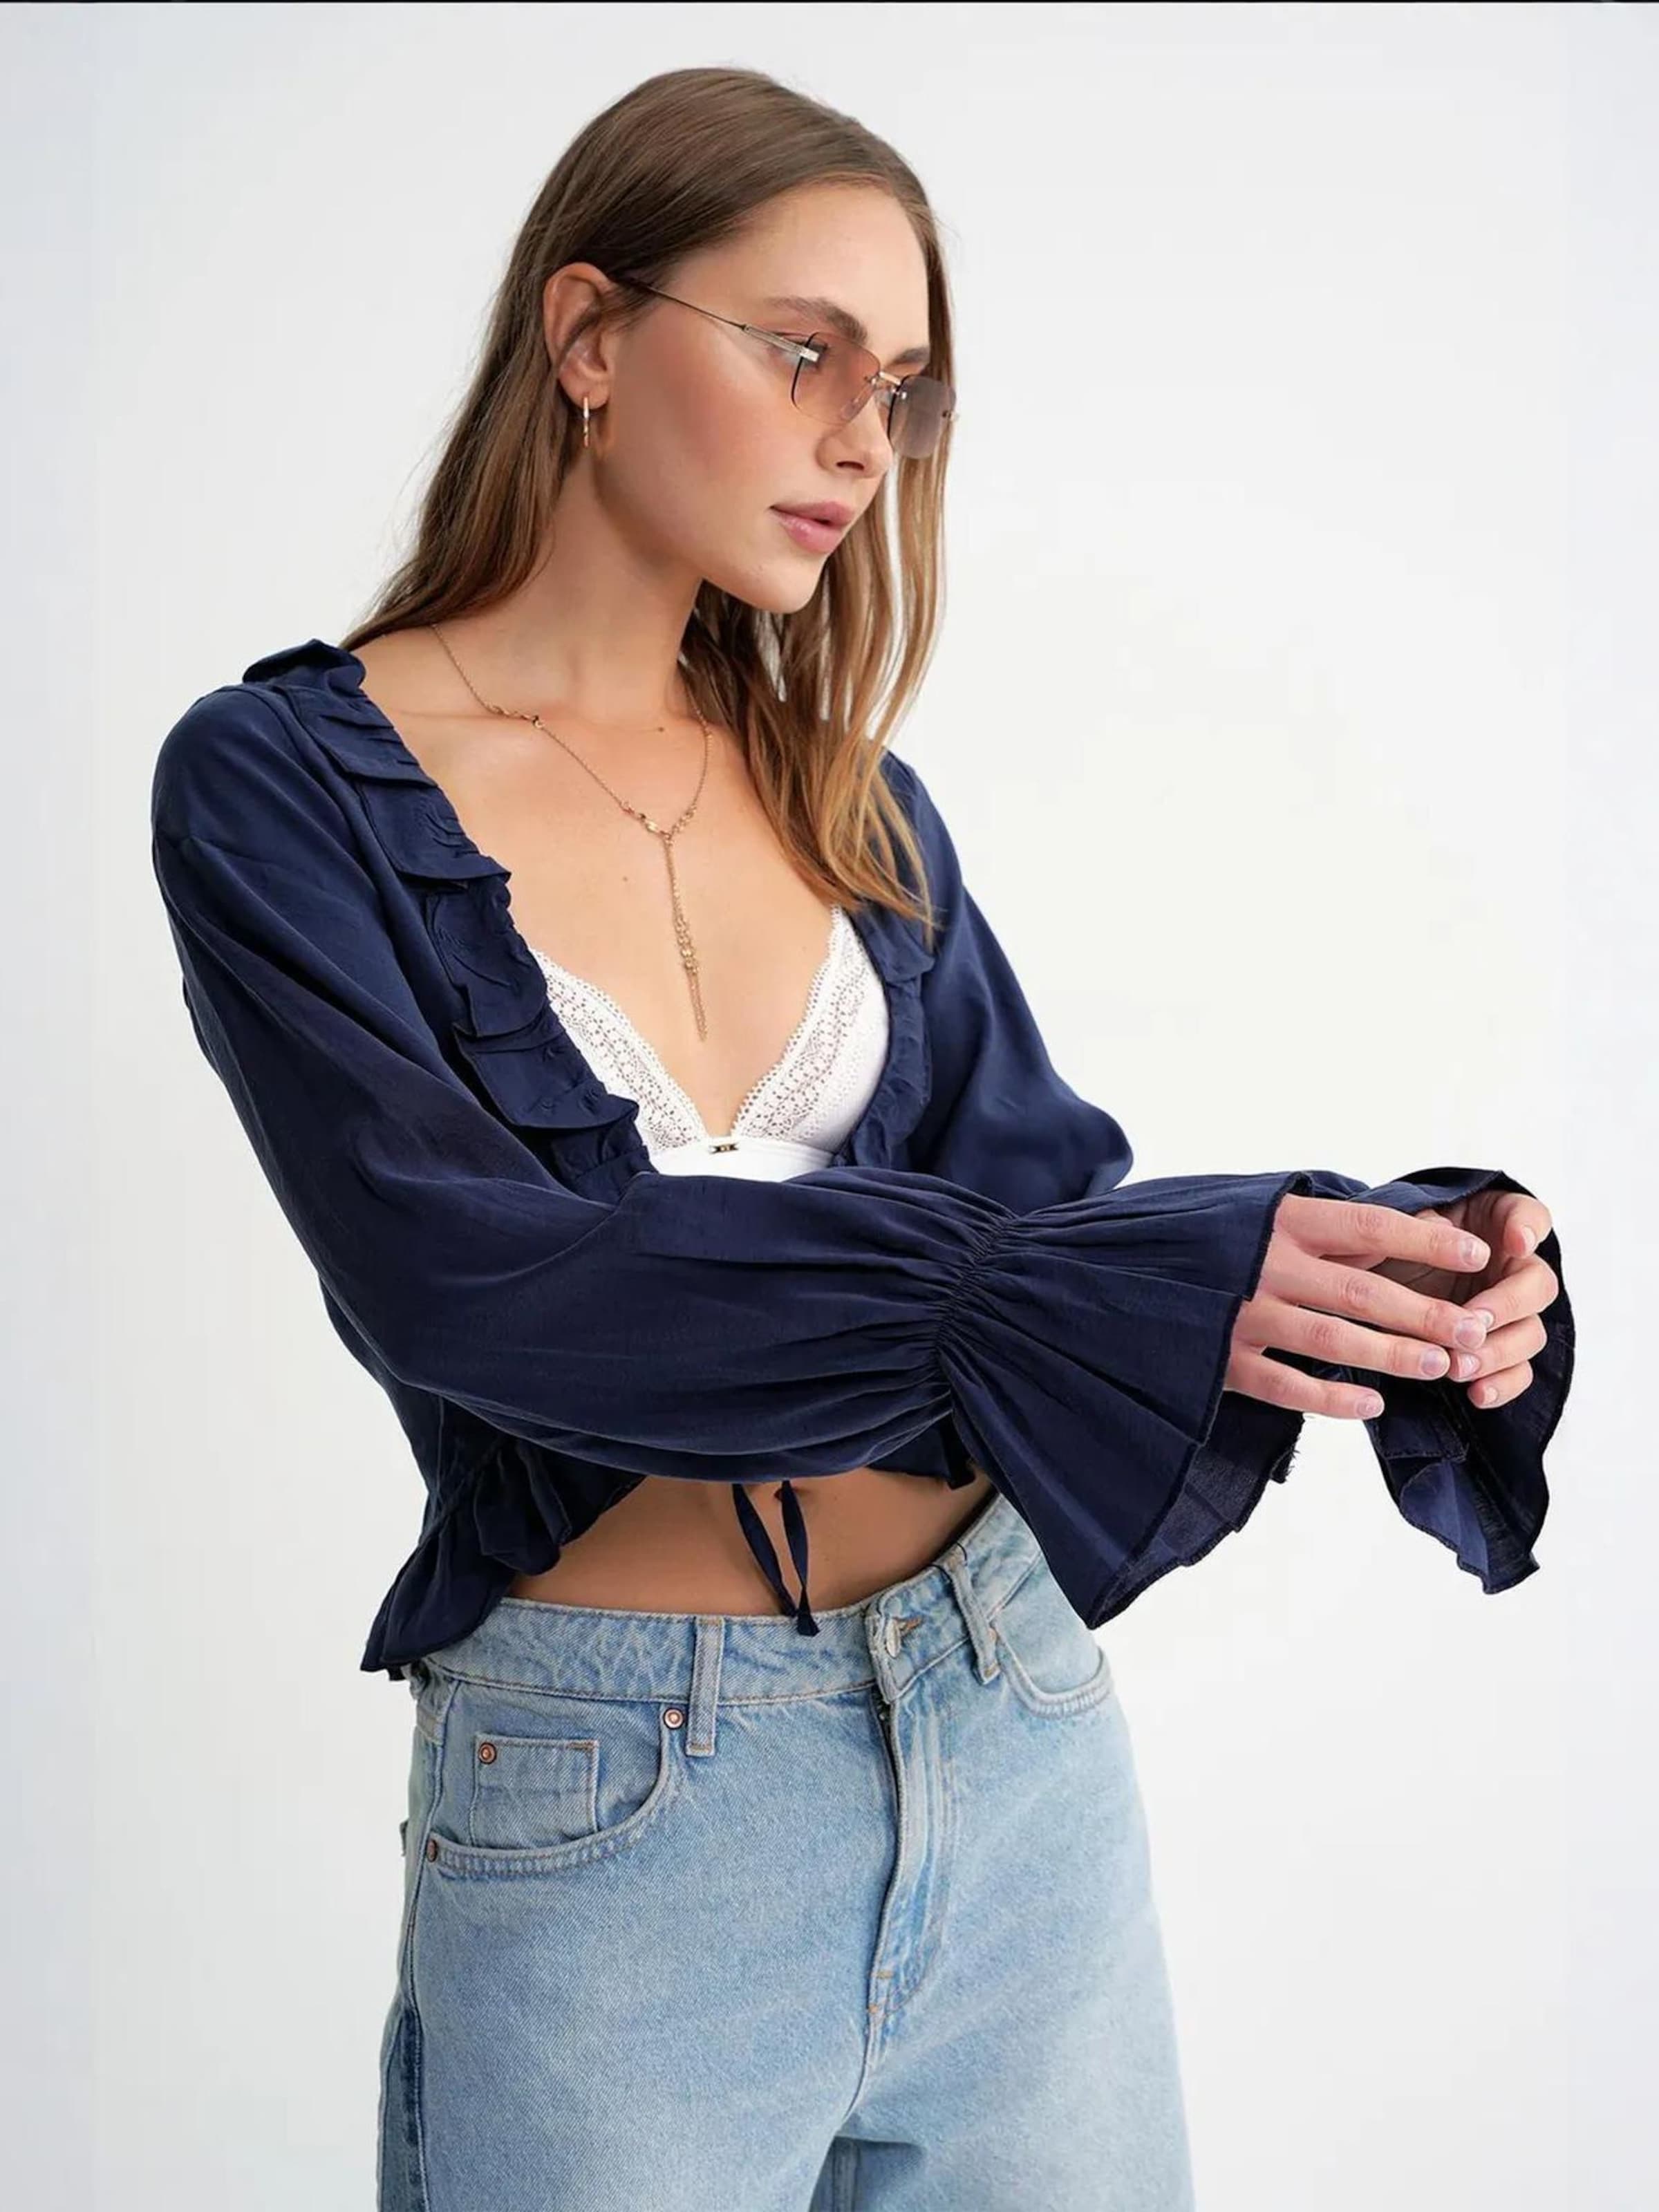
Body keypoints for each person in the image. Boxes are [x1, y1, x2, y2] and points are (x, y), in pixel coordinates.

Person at [149, 65, 1572, 2212]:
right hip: (618, 1806)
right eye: (801, 351)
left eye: (899, 389)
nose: (859, 439)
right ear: (588, 336)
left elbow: (1056, 1241)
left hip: (1012, 1732)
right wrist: (1060, 1289)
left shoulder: (856, 801)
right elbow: (480, 1286)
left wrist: (1365, 1265)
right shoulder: (279, 784)